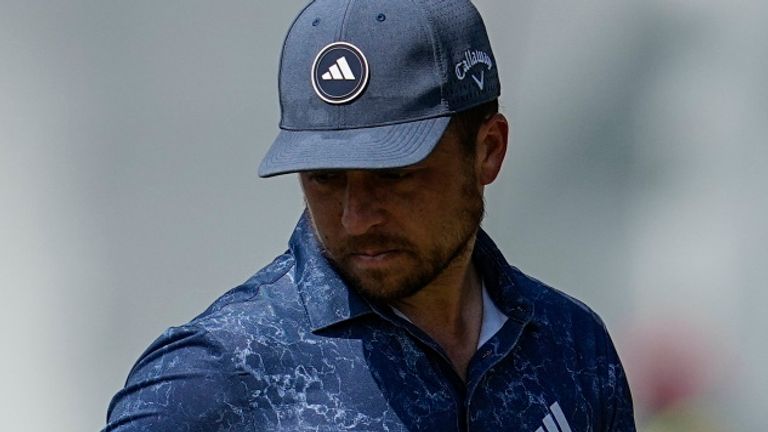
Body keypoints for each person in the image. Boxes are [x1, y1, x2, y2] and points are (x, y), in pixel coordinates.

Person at [104, 0, 635, 430]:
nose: (355, 218)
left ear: (488, 151)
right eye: (326, 178)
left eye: (393, 174)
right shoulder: (218, 373)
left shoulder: (571, 345)